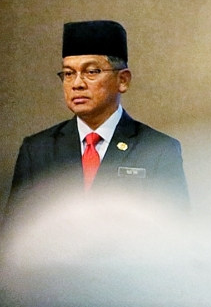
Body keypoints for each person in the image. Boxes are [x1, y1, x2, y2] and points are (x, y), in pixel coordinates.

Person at [4, 20, 189, 224]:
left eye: (91, 72)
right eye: (68, 74)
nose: (77, 84)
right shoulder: (38, 150)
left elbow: (175, 233)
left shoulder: (158, 150)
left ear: (122, 80)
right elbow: (15, 232)